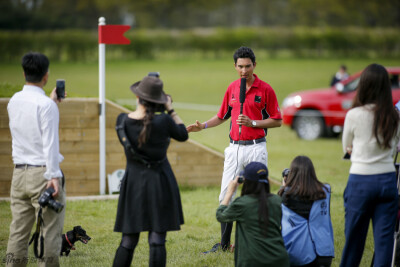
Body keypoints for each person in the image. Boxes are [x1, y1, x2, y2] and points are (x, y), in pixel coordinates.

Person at [186, 46, 282, 253]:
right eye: (240, 67)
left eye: (248, 66)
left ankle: (254, 243)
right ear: (235, 66)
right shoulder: (231, 88)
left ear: (254, 65)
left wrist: (253, 123)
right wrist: (202, 126)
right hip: (234, 149)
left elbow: (277, 121)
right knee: (225, 196)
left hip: (257, 148)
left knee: (258, 197)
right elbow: (222, 116)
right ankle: (223, 245)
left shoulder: (266, 89)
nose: (244, 71)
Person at [112, 75, 188, 267]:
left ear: (138, 98)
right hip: (160, 182)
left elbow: (140, 118)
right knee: (157, 239)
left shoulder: (122, 121)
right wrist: (170, 109)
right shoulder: (164, 122)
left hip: (133, 184)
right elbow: (183, 134)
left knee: (128, 240)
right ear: (160, 101)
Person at [6, 52, 66, 267]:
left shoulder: (14, 101)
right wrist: (54, 177)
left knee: (18, 233)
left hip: (19, 174)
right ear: (46, 76)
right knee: (48, 234)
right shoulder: (46, 106)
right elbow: (49, 143)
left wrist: (50, 101)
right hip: (42, 175)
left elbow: (30, 127)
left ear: (24, 73)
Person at [341, 63, 400, 267]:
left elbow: (346, 146)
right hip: (387, 180)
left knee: (354, 242)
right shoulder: (394, 115)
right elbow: (395, 147)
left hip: (360, 180)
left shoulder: (354, 114)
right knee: (384, 244)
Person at [216, 161, 290, 266]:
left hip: (252, 262)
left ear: (246, 182)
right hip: (280, 259)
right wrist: (284, 187)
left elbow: (220, 215)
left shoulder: (242, 203)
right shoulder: (277, 201)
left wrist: (229, 192)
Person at [278, 155, 334, 267]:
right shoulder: (325, 191)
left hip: (299, 254)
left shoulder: (286, 196)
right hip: (324, 252)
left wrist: (285, 185)